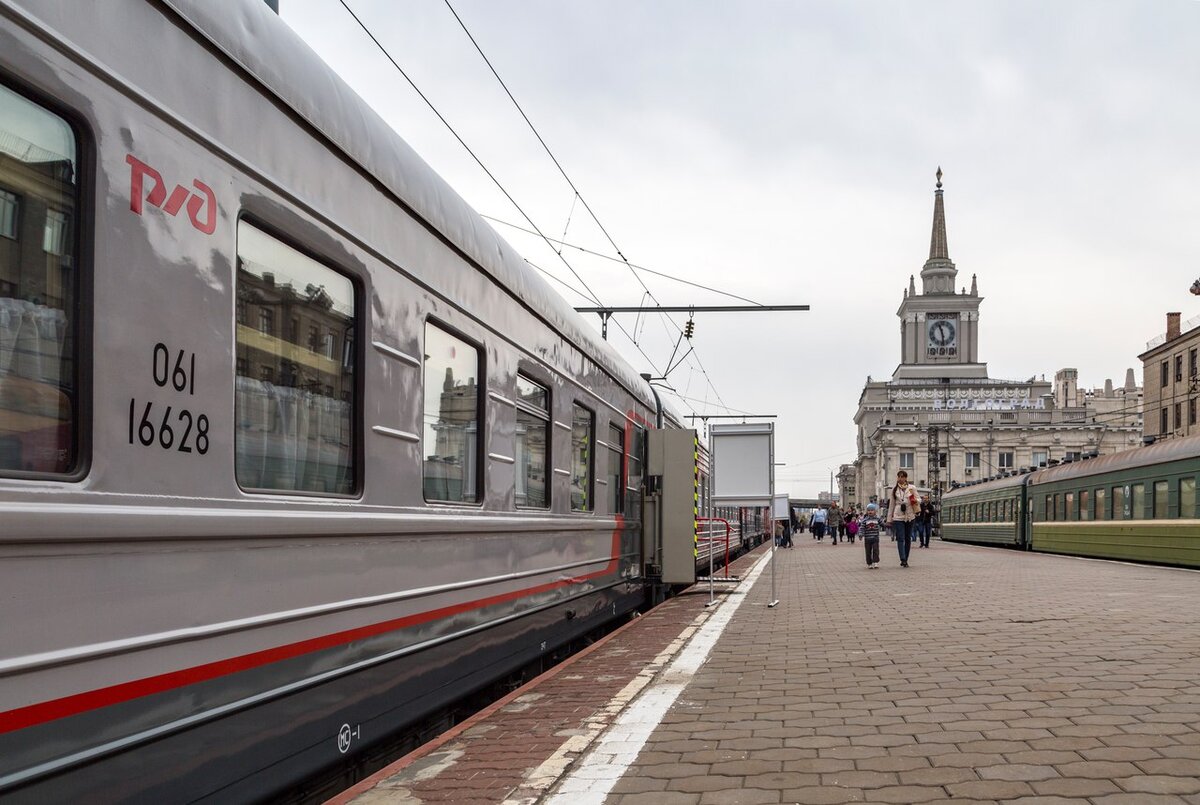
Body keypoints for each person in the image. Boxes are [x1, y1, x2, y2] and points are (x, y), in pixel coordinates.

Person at [886, 470, 919, 567]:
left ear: (905, 478)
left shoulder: (912, 488)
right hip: (898, 515)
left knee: (907, 538)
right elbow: (891, 504)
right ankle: (903, 558)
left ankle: (906, 558)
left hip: (910, 515)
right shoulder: (894, 489)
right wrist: (889, 519)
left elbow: (919, 499)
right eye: (898, 477)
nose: (900, 479)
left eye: (902, 477)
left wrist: (914, 499)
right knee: (900, 538)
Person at [860, 502, 882, 569]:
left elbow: (882, 524)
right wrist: (861, 534)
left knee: (876, 550)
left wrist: (888, 524)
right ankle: (869, 563)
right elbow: (862, 528)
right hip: (868, 538)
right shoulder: (864, 520)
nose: (870, 512)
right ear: (867, 511)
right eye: (869, 510)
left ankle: (875, 562)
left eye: (872, 510)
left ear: (875, 511)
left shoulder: (877, 519)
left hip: (875, 538)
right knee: (868, 551)